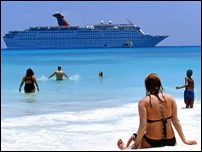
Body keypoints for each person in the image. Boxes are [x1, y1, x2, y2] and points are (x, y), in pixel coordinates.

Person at [117, 73, 197, 150]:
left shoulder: (143, 102)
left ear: (146, 86)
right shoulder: (170, 98)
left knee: (136, 139)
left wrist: (135, 146)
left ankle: (125, 148)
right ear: (159, 84)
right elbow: (176, 121)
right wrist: (184, 140)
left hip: (152, 142)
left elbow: (142, 127)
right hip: (171, 141)